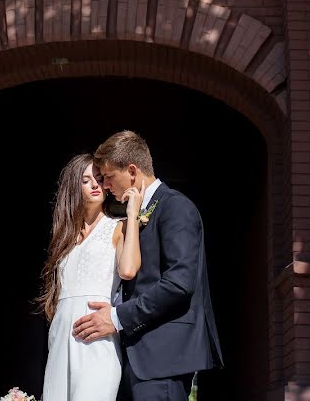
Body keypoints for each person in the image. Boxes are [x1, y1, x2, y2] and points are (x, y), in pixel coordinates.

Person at [72, 131, 223, 401]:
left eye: (107, 176)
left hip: (163, 357)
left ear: (132, 171)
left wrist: (117, 316)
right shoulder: (138, 210)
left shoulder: (176, 207)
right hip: (137, 357)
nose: (105, 185)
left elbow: (178, 284)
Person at [40, 153, 143, 401]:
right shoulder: (63, 239)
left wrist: (132, 214)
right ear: (74, 186)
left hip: (97, 338)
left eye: (99, 178)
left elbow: (128, 270)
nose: (96, 184)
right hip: (60, 337)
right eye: (86, 180)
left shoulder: (118, 226)